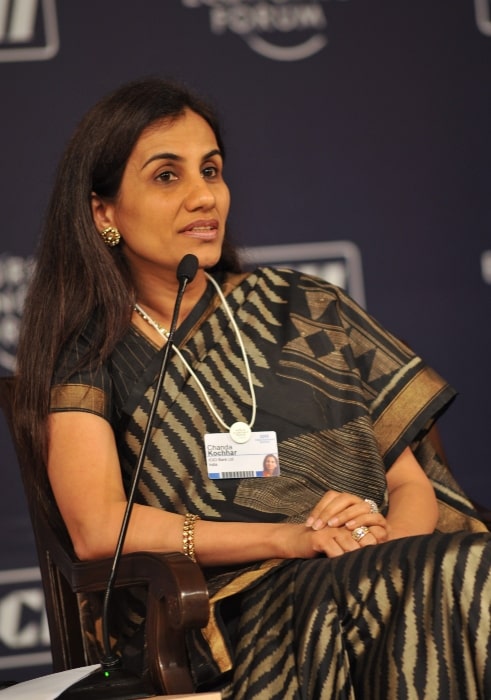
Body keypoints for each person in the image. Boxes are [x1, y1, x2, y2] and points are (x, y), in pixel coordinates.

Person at [13, 76, 491, 699]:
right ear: (103, 212)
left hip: (382, 566)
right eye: (167, 176)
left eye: (210, 171)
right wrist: (292, 540)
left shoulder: (303, 305)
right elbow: (101, 527)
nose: (202, 197)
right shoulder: (90, 352)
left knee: (457, 571)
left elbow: (407, 480)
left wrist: (380, 553)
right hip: (233, 614)